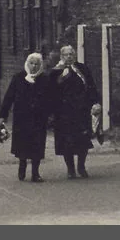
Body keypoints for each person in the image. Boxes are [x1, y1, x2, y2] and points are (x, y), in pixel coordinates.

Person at [47, 45, 101, 179]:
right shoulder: (55, 72)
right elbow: (51, 91)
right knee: (67, 141)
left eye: (71, 54)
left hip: (81, 110)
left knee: (83, 140)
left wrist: (95, 102)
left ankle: (81, 166)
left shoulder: (82, 69)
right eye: (66, 54)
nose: (69, 57)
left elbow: (91, 86)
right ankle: (70, 169)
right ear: (61, 56)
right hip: (64, 112)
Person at [0, 52, 52, 183]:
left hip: (39, 117)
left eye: (37, 64)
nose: (34, 66)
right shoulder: (18, 78)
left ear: (40, 65)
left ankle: (35, 173)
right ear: (27, 64)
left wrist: (49, 113)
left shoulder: (44, 79)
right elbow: (9, 97)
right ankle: (22, 166)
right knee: (22, 143)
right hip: (22, 116)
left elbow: (50, 98)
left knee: (37, 144)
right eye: (31, 63)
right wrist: (3, 116)